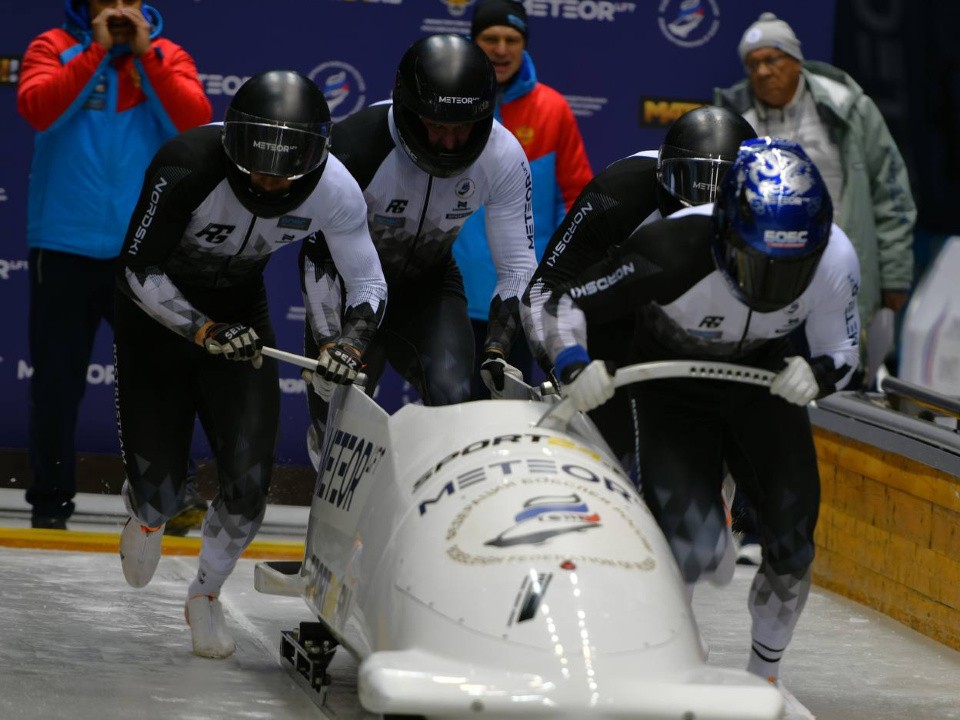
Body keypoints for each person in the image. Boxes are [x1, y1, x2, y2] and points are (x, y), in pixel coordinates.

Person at [541, 138, 861, 701]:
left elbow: (842, 349)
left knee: (792, 542)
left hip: (764, 383)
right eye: (757, 263)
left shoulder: (835, 257)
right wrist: (574, 364)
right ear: (725, 234)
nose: (771, 284)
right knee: (695, 547)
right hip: (672, 385)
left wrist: (819, 375)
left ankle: (766, 676)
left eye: (791, 269)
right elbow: (563, 301)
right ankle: (667, 659)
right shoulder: (671, 247)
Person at [114, 70, 387, 659]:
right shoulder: (184, 163)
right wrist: (202, 329)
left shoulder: (337, 189)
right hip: (156, 320)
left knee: (248, 482)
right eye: (256, 166)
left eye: (285, 171)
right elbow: (137, 268)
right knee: (162, 495)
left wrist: (352, 339)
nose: (269, 181)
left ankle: (205, 595)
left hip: (241, 316)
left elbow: (366, 277)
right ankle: (146, 506)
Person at [16, 0, 212, 530]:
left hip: (143, 248)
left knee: (161, 377)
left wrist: (145, 56)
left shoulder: (167, 53)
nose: (119, 7)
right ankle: (50, 506)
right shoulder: (52, 47)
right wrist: (97, 50)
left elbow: (195, 124)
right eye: (108, 0)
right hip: (63, 245)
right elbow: (36, 108)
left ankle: (169, 498)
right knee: (56, 384)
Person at [301, 33, 540, 452]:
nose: (449, 143)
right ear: (410, 112)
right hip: (349, 294)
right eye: (435, 126)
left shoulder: (503, 155)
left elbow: (519, 265)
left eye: (462, 129)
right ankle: (326, 449)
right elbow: (317, 254)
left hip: (428, 288)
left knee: (454, 401)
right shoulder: (355, 148)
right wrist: (329, 343)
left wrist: (499, 348)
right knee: (337, 418)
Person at [522, 105, 757, 469]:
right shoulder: (617, 193)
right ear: (663, 174)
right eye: (691, 183)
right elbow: (543, 290)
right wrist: (568, 367)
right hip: (613, 329)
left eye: (721, 191)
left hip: (698, 338)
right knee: (608, 452)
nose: (702, 211)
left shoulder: (767, 215)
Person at [714, 12, 915, 377]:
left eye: (772, 59)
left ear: (796, 61)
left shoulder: (849, 110)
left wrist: (895, 275)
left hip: (841, 269)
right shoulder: (735, 120)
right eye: (752, 64)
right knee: (771, 381)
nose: (762, 72)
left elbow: (891, 193)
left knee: (841, 378)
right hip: (763, 276)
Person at [453, 0, 593, 397]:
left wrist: (559, 276)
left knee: (507, 412)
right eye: (491, 38)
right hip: (453, 292)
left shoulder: (553, 109)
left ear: (524, 44)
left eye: (511, 39)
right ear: (472, 40)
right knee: (450, 407)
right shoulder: (448, 103)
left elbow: (577, 200)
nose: (500, 49)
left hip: (521, 298)